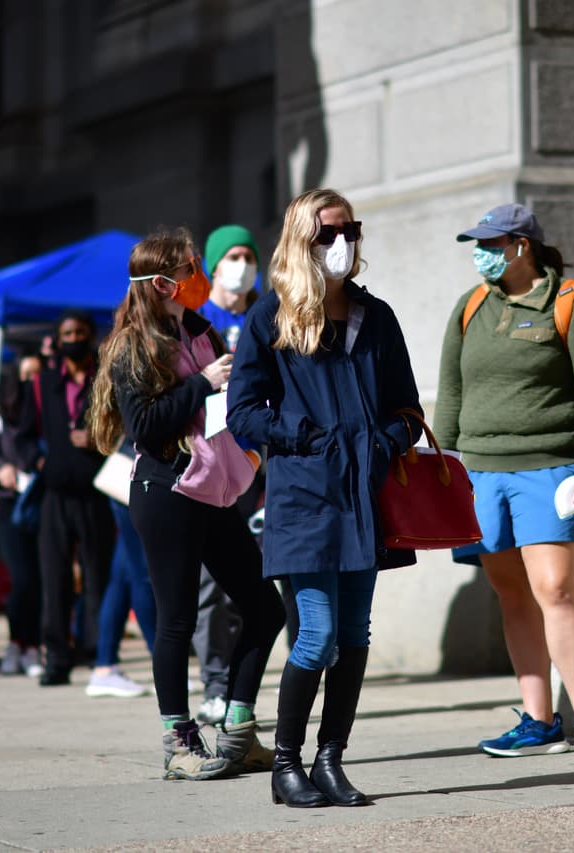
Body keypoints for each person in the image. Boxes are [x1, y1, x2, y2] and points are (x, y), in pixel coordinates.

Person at [228, 188, 423, 808]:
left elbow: (409, 409)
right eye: (327, 234)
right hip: (305, 495)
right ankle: (285, 765)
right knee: (317, 634)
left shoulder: (378, 318)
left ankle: (330, 760)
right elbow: (242, 414)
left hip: (364, 496)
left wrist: (386, 443)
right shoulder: (270, 318)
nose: (342, 244)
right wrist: (304, 437)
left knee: (357, 634)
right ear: (300, 241)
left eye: (350, 231)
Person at [89, 227, 285, 781]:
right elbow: (146, 428)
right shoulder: (133, 343)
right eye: (190, 267)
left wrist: (248, 449)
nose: (200, 273)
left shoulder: (199, 327)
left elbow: (231, 400)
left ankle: (239, 731)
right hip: (164, 489)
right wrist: (200, 381)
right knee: (175, 620)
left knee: (265, 607)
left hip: (214, 487)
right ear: (162, 283)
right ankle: (178, 741)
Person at [434, 203, 574, 762]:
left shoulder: (572, 303)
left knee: (555, 590)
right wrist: (440, 470)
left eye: (492, 244)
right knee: (511, 595)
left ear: (522, 245)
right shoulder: (470, 307)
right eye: (478, 244)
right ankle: (539, 721)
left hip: (551, 467)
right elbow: (450, 392)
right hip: (481, 472)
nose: (482, 255)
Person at [188, 223, 275, 724]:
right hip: (212, 465)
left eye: (249, 255)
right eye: (234, 256)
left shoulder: (267, 316)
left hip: (260, 467)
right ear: (215, 265)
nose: (243, 264)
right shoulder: (200, 321)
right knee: (208, 588)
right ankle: (215, 685)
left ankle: (242, 686)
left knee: (254, 584)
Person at [15, 309, 115, 686]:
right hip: (55, 494)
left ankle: (96, 653)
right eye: (67, 333)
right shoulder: (42, 384)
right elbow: (22, 435)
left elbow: (122, 429)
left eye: (81, 332)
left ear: (91, 336)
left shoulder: (104, 379)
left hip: (96, 492)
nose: (74, 338)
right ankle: (56, 659)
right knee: (54, 579)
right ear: (58, 339)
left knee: (97, 578)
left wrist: (96, 442)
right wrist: (39, 461)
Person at [0, 360, 44, 677]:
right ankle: (18, 642)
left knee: (43, 578)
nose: (33, 380)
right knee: (22, 577)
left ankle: (33, 646)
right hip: (9, 504)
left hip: (42, 500)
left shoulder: (50, 410)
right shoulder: (2, 416)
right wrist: (0, 469)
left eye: (38, 374)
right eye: (27, 374)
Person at [84, 483, 157, 699]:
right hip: (132, 481)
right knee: (141, 574)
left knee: (123, 576)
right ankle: (162, 664)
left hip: (129, 481)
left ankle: (105, 665)